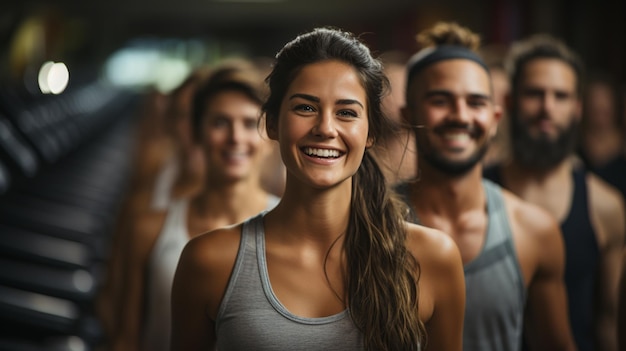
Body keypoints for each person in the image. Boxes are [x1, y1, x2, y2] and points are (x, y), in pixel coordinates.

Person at [171, 26, 465, 351]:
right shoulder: (209, 261)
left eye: (347, 113)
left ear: (370, 133)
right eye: (305, 108)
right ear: (271, 123)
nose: (326, 128)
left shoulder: (432, 258)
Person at [398, 21, 577, 351]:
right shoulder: (368, 222)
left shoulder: (534, 230)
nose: (460, 116)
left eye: (476, 102)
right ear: (408, 115)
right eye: (440, 100)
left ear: (495, 119)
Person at [110, 62, 280, 351]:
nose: (235, 137)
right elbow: (126, 339)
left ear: (270, 138)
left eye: (250, 124)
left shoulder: (289, 228)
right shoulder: (149, 228)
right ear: (198, 133)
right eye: (219, 122)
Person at [484, 33, 625, 351]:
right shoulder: (475, 192)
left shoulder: (605, 206)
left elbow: (609, 319)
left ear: (577, 108)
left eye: (560, 96)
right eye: (535, 93)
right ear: (508, 102)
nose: (547, 107)